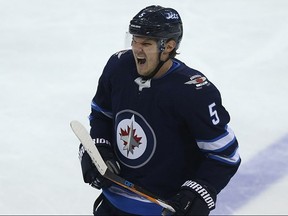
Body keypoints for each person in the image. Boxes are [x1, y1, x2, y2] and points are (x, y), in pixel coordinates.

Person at [78, 5, 241, 216]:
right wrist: (98, 147)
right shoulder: (118, 67)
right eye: (134, 40)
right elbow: (102, 115)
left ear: (168, 47)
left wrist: (200, 191)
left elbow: (225, 156)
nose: (137, 49)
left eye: (146, 43)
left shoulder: (194, 92)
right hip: (111, 207)